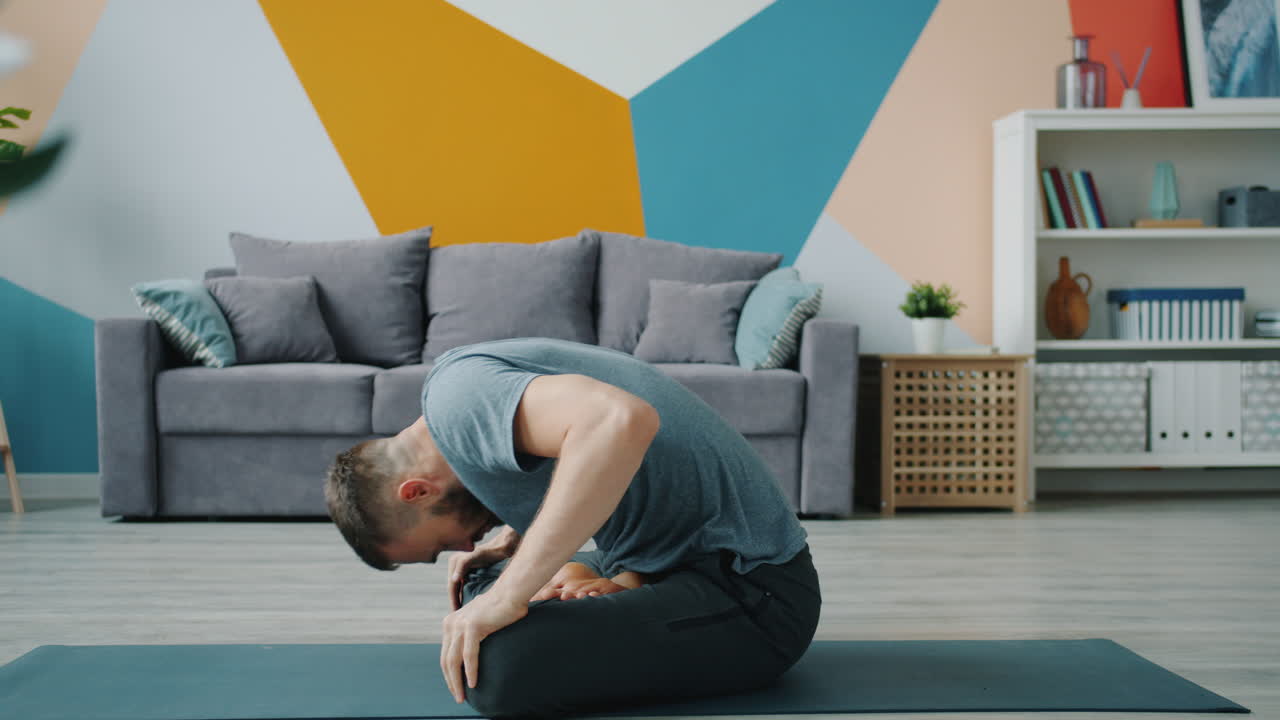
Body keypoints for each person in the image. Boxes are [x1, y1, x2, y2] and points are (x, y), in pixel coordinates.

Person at [325, 338, 821, 718]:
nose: (463, 543)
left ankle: (561, 594)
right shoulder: (460, 398)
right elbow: (579, 455)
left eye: (439, 544)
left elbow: (621, 419)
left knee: (495, 667)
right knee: (478, 593)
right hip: (667, 560)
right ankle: (593, 585)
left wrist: (506, 595)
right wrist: (514, 548)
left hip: (753, 592)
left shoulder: (458, 401)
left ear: (415, 491)